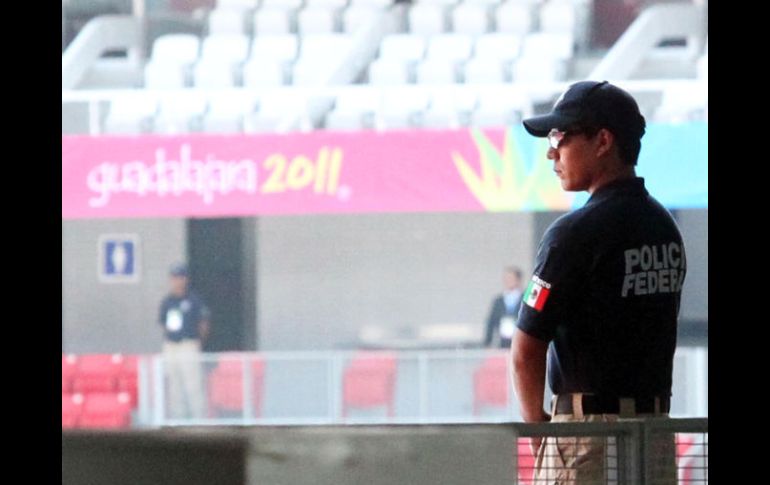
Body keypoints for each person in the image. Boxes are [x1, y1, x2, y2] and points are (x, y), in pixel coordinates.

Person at [511, 80, 686, 484]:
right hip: (655, 436)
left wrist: (540, 432)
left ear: (603, 141)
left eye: (560, 137)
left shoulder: (572, 234)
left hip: (586, 440)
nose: (552, 152)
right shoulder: (664, 228)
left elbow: (525, 350)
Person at [159, 262, 210, 419]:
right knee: (174, 385)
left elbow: (203, 323)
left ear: (185, 279)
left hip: (188, 344)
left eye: (180, 277)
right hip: (171, 346)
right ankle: (178, 420)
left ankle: (199, 420)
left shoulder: (194, 300)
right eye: (175, 277)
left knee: (193, 384)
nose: (178, 281)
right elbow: (163, 323)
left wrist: (197, 342)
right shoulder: (167, 301)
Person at [483, 266, 524, 349]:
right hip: (503, 343)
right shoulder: (498, 300)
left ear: (518, 280)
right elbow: (491, 322)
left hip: (520, 341)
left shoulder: (525, 299)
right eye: (506, 279)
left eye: (511, 278)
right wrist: (488, 342)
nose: (508, 281)